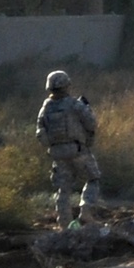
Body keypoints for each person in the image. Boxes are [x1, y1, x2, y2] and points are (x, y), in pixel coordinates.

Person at [35, 70, 101, 226]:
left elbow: (40, 133)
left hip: (57, 153)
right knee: (93, 178)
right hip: (77, 150)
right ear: (66, 86)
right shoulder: (74, 105)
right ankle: (85, 210)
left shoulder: (45, 109)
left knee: (63, 189)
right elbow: (91, 123)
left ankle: (64, 223)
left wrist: (53, 146)